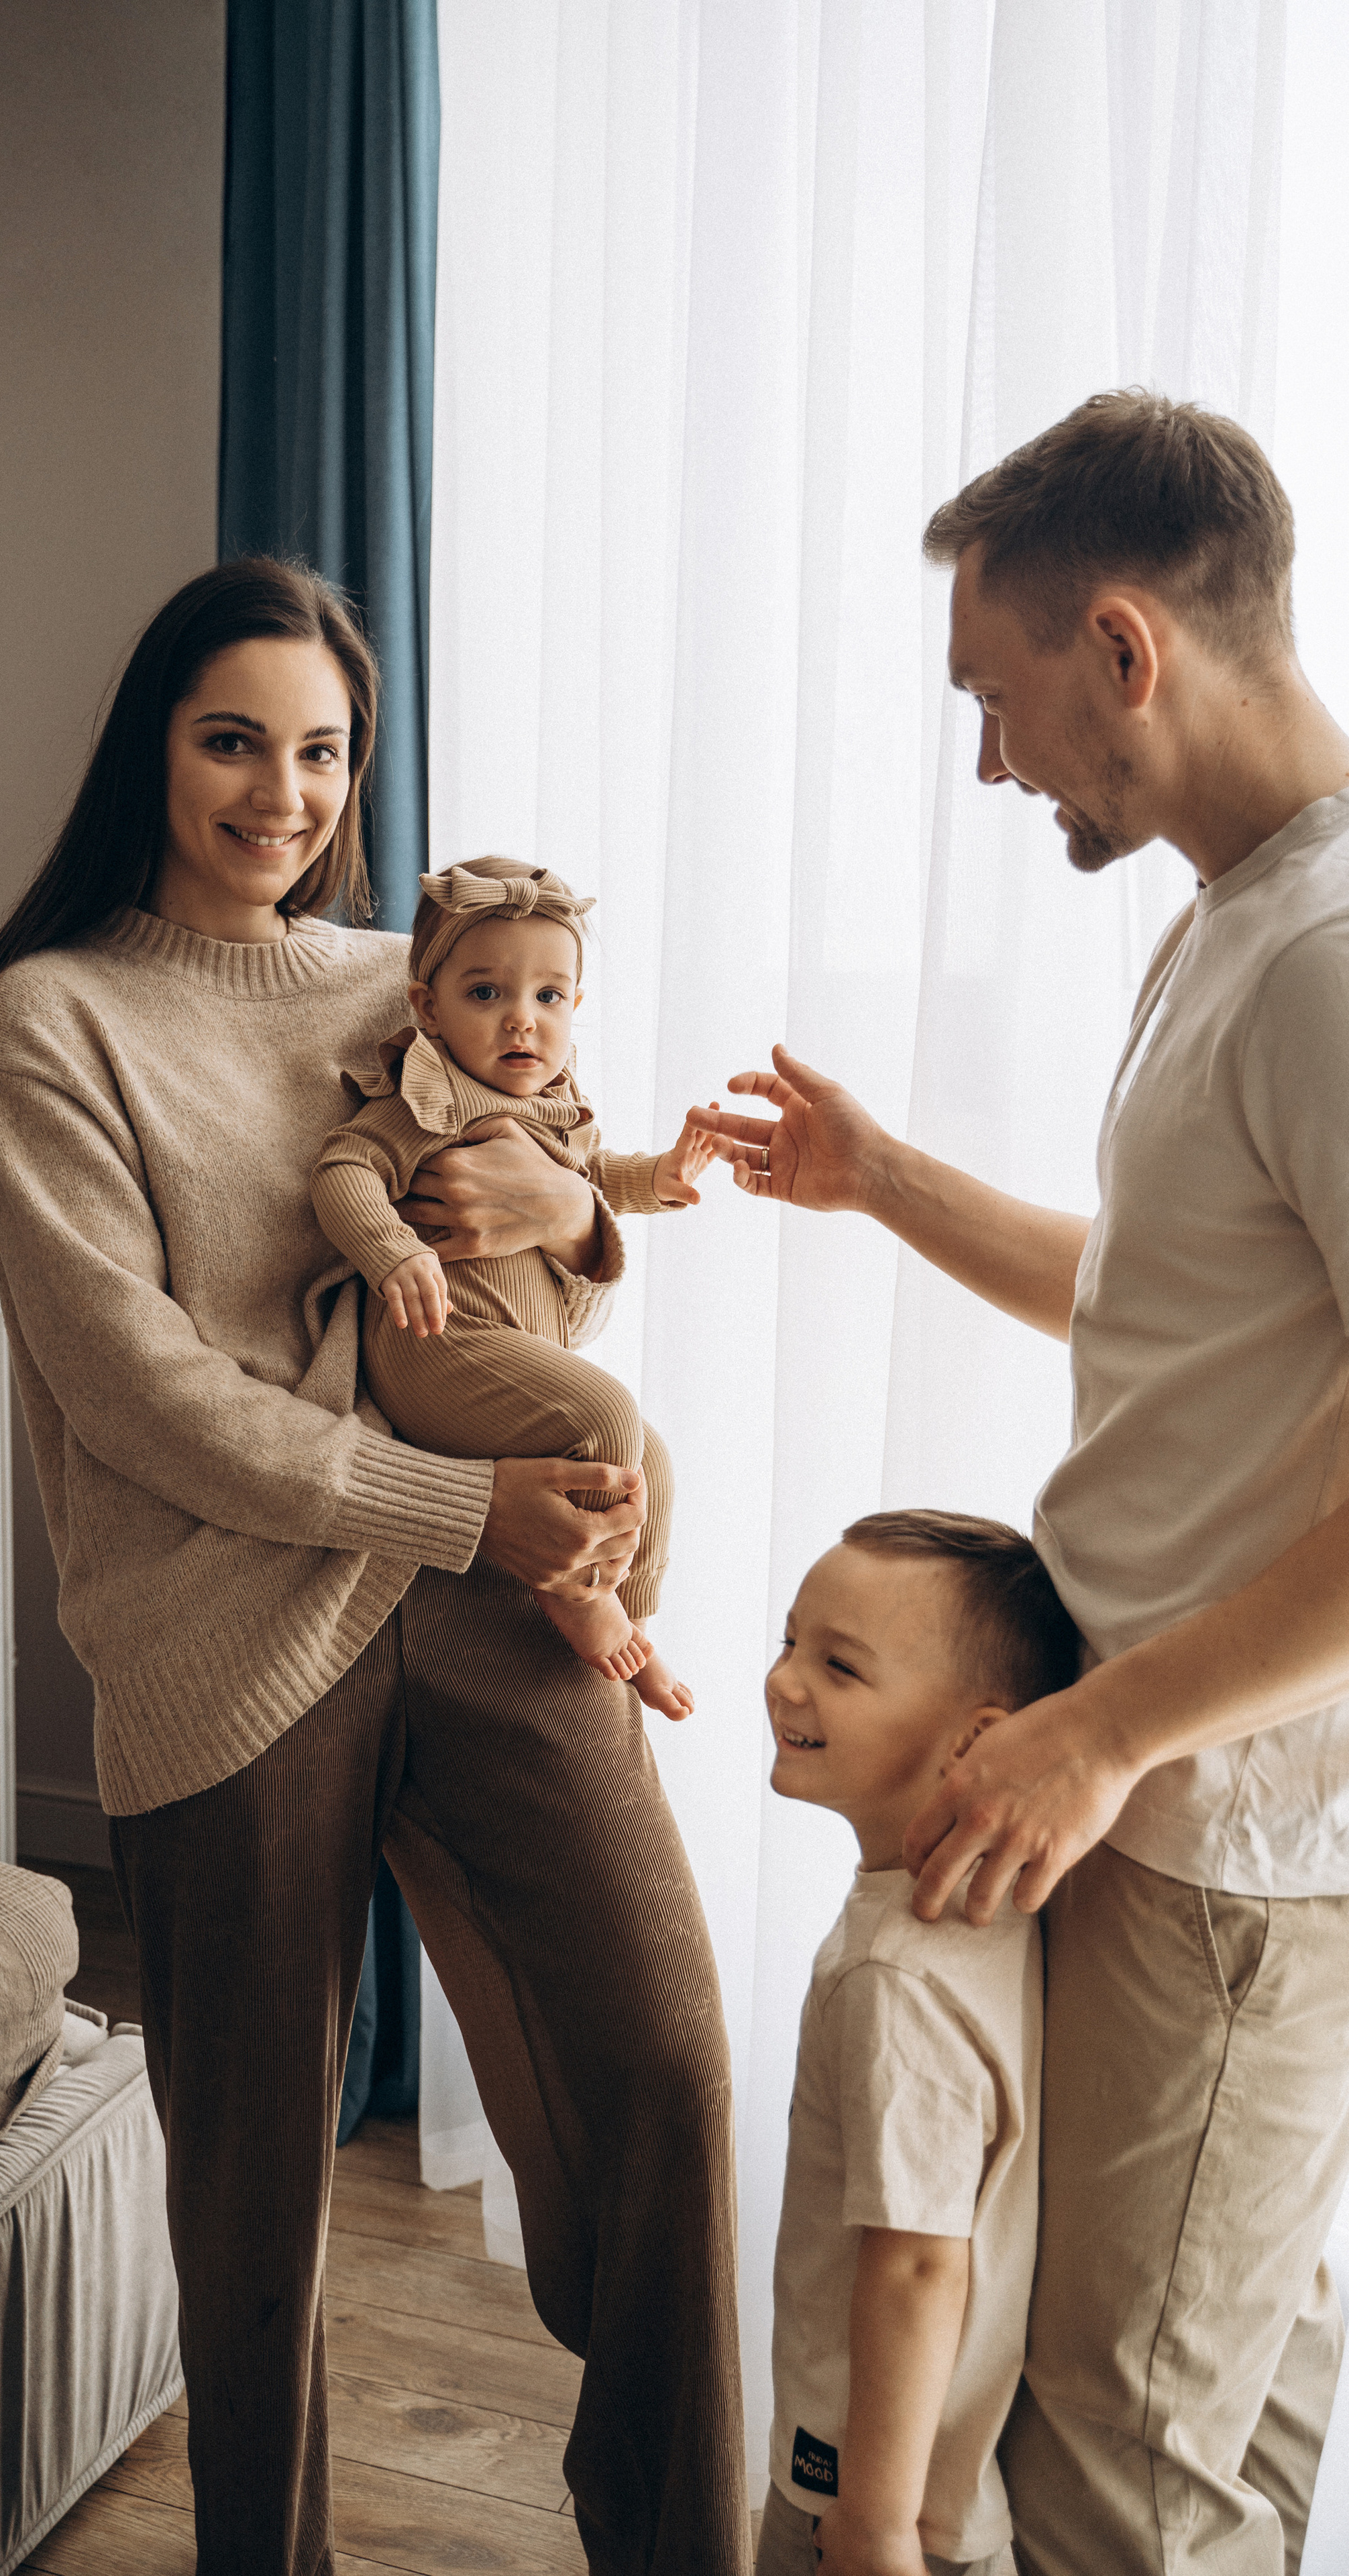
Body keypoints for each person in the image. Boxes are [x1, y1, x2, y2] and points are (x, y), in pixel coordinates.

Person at [0, 558, 748, 2573]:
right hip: (226, 1631)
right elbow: (136, 1393)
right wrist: (456, 1509)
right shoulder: (55, 1018)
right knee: (258, 2196)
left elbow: (527, 1280)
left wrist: (588, 1206)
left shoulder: (423, 973)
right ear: (154, 751)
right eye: (233, 741)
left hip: (483, 1601)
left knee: (664, 2062)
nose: (280, 793)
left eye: (321, 750)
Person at [694, 390, 1349, 2576]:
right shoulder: (1237, 925)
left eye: (1002, 699)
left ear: (1128, 649)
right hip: (1174, 1793)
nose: (997, 762)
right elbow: (1166, 1300)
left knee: (1116, 2482)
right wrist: (880, 1182)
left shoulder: (1337, 957)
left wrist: (1101, 1733)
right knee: (1222, 2404)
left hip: (1227, 1832)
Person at [311, 853, 712, 1721]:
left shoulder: (557, 1104)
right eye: (487, 994)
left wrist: (664, 1177)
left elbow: (597, 1175)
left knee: (652, 1460)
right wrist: (391, 1251)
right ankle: (578, 1596)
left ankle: (634, 1617)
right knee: (604, 1418)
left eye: (549, 998)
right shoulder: (424, 1102)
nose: (522, 1023)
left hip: (513, 1352)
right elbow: (344, 1170)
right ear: (428, 1007)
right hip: (436, 1347)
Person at [757, 1511, 1076, 2576]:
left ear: (973, 1743)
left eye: (839, 1666)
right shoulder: (1000, 1915)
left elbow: (915, 2266)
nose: (786, 1681)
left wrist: (871, 2523)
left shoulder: (897, 1976)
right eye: (791, 1640)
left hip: (862, 2509)